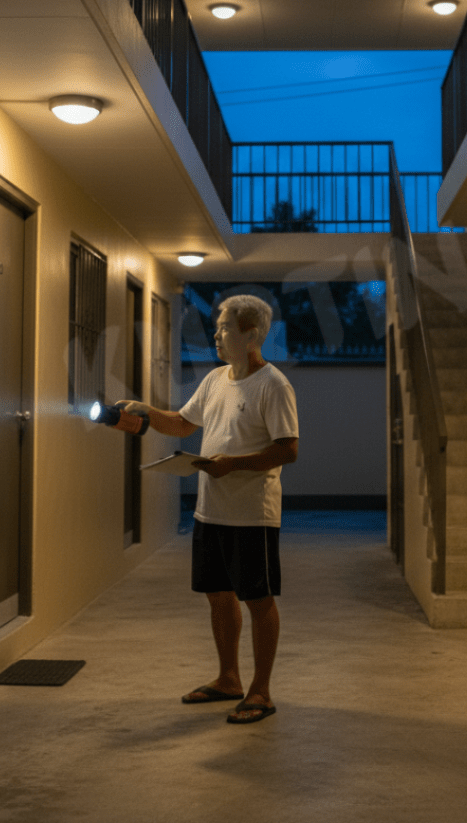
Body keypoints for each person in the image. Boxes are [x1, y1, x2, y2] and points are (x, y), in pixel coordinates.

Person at [117, 294, 298, 724]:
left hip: (251, 514)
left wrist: (233, 465)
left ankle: (261, 691)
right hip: (209, 511)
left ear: (250, 334)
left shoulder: (273, 385)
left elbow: (288, 449)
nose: (216, 335)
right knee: (218, 597)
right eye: (218, 327)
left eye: (224, 327)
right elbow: (182, 423)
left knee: (258, 599)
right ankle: (229, 679)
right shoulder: (217, 379)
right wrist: (145, 411)